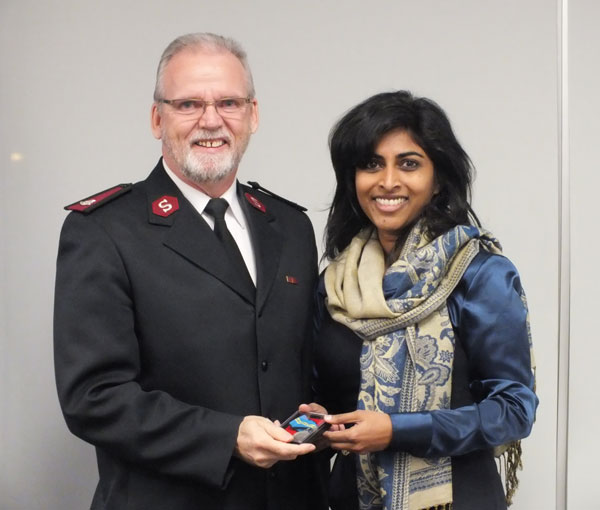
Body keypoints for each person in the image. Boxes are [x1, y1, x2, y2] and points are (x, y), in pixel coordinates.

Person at [54, 33, 327, 510]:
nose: (211, 121)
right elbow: (93, 397)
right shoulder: (104, 231)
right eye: (188, 104)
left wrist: (315, 410)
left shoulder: (290, 225)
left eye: (228, 102)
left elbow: (296, 362)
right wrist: (228, 437)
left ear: (253, 115)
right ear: (157, 118)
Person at [311, 91, 538, 510]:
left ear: (438, 181)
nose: (388, 181)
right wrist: (319, 417)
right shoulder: (336, 283)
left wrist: (396, 430)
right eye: (371, 164)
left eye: (409, 164)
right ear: (352, 179)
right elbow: (331, 388)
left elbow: (513, 410)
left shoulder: (479, 274)